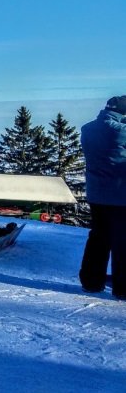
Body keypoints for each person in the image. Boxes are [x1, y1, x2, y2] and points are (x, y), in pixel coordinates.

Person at [79, 95, 126, 299]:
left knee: (98, 236)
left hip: (96, 194)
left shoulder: (87, 129)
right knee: (122, 241)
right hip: (120, 195)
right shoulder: (120, 131)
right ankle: (123, 288)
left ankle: (91, 281)